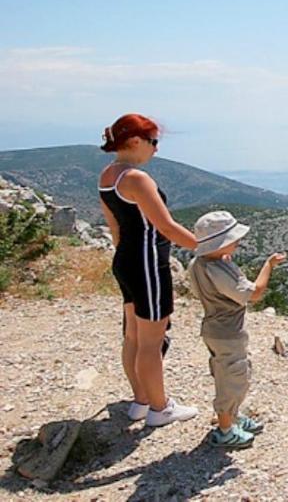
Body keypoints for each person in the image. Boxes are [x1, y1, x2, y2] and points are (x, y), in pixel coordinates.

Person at [98, 113, 200, 427]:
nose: (156, 149)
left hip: (125, 261)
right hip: (148, 264)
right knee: (151, 342)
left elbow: (114, 227)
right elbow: (166, 226)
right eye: (153, 142)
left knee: (132, 336)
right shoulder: (136, 179)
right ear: (134, 141)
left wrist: (125, 262)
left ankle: (140, 401)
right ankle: (160, 408)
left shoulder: (107, 176)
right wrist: (206, 247)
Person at [187, 210, 286, 448]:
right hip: (227, 333)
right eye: (233, 240)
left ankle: (232, 417)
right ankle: (225, 430)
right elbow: (254, 293)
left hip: (213, 329)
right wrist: (268, 266)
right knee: (231, 379)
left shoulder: (198, 264)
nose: (237, 243)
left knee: (229, 374)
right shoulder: (217, 270)